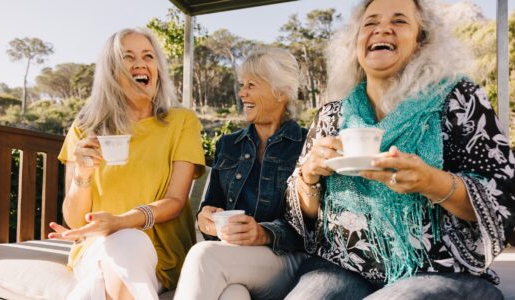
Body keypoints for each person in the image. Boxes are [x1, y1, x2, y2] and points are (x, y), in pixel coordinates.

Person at [284, 0, 515, 299]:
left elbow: (504, 197)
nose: (382, 28)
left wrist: (431, 182)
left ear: (421, 41)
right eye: (370, 23)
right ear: (355, 43)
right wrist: (308, 176)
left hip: (442, 273)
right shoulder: (331, 116)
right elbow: (300, 216)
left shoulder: (458, 99)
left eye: (399, 21)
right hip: (343, 266)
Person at [49, 27, 205, 299]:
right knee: (119, 251)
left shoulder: (181, 122)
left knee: (106, 273)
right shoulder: (84, 128)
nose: (140, 63)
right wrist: (83, 174)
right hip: (98, 247)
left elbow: (176, 200)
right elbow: (75, 221)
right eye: (128, 57)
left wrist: (120, 222)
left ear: (157, 68)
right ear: (111, 71)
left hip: (161, 253)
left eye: (148, 56)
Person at [174, 48, 308, 300]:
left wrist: (264, 233)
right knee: (232, 295)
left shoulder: (307, 144)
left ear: (281, 92)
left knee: (204, 255)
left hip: (287, 261)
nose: (241, 93)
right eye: (241, 85)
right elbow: (211, 205)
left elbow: (314, 227)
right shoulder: (228, 144)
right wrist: (206, 218)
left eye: (251, 85)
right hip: (234, 259)